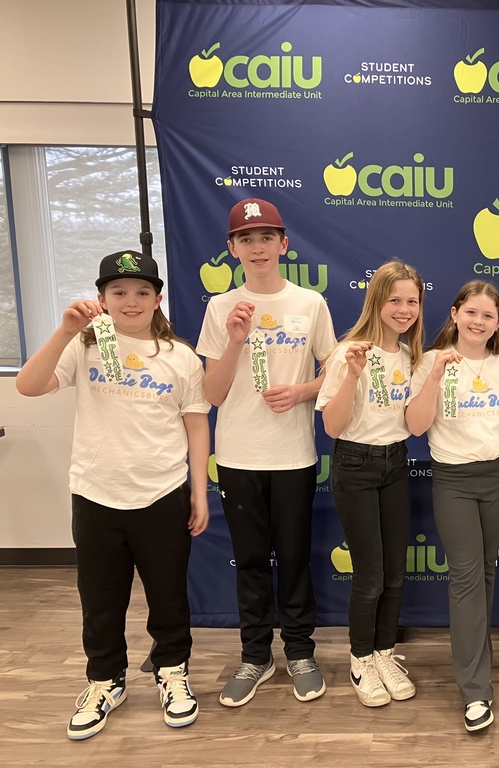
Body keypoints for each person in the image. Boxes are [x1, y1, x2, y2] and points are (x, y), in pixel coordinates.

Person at [16, 250, 209, 739]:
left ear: (158, 299)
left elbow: (196, 425)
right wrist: (64, 330)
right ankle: (105, 680)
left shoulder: (180, 356)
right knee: (100, 599)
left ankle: (172, 672)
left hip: (162, 493)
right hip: (96, 493)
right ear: (102, 298)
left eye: (142, 291)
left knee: (168, 595)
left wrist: (199, 492)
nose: (131, 301)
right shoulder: (82, 345)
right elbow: (28, 386)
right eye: (118, 292)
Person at [197, 198, 335, 707]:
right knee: (251, 561)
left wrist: (301, 392)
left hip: (294, 455)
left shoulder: (310, 303)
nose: (257, 248)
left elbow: (333, 374)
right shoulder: (220, 307)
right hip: (237, 456)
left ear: (284, 244)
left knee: (295, 559)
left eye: (266, 238)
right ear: (232, 248)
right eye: (246, 239)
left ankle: (300, 653)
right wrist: (235, 340)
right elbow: (212, 393)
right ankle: (255, 656)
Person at [406, 280, 499, 732]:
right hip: (454, 479)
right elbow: (416, 425)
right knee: (466, 578)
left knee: (484, 572)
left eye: (488, 315)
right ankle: (475, 689)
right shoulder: (430, 361)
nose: (478, 322)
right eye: (471, 312)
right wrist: (436, 375)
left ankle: (477, 661)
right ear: (454, 313)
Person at [315, 262, 424, 708]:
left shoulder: (411, 356)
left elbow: (413, 422)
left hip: (395, 463)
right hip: (355, 464)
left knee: (395, 572)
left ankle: (384, 654)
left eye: (412, 301)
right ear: (376, 301)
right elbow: (333, 426)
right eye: (394, 300)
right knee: (371, 575)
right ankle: (360, 658)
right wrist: (354, 374)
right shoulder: (347, 353)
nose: (403, 309)